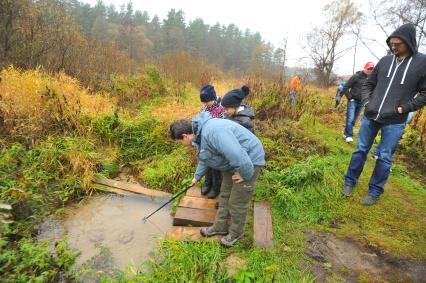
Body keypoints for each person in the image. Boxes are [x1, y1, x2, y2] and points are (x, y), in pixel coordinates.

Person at [342, 23, 426, 205]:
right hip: (371, 115)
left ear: (409, 42)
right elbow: (368, 84)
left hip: (395, 120)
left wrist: (404, 108)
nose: (393, 47)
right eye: (391, 44)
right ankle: (349, 181)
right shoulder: (385, 60)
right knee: (360, 150)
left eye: (397, 44)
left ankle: (374, 192)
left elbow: (425, 92)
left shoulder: (422, 63)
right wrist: (367, 101)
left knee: (385, 157)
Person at [169, 112, 265, 247]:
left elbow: (237, 154)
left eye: (180, 142)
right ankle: (220, 226)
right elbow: (205, 157)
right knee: (225, 195)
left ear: (185, 136)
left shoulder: (213, 132)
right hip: (233, 162)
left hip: (250, 161)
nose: (182, 144)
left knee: (236, 202)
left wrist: (245, 174)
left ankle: (237, 232)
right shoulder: (199, 135)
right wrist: (197, 177)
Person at [198, 84, 224, 199]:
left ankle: (216, 187)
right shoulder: (204, 108)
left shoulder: (222, 108)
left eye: (207, 101)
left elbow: (225, 125)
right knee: (207, 161)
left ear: (213, 98)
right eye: (204, 102)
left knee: (216, 166)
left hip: (218, 140)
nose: (205, 104)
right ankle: (207, 183)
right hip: (206, 140)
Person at [342, 62, 375, 143]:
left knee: (354, 120)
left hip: (361, 103)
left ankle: (346, 133)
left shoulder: (371, 79)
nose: (369, 70)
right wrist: (350, 98)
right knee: (350, 118)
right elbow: (346, 87)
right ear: (364, 68)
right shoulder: (356, 77)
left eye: (371, 69)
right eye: (368, 68)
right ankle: (349, 136)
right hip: (353, 101)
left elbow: (371, 90)